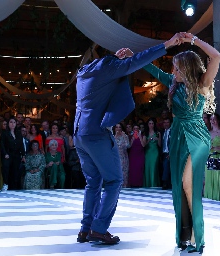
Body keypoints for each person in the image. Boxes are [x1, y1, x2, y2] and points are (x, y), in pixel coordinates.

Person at [74, 33, 183, 245]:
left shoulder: (85, 72)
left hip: (79, 134)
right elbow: (135, 62)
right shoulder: (108, 66)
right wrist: (167, 45)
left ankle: (85, 229)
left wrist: (114, 61)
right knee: (114, 181)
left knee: (93, 182)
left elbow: (108, 70)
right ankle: (99, 228)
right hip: (97, 134)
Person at [143, 33, 220, 253]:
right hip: (177, 136)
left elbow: (216, 56)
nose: (173, 72)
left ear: (186, 68)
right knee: (179, 188)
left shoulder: (202, 83)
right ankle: (185, 234)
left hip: (196, 136)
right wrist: (133, 56)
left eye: (177, 68)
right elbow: (149, 67)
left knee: (189, 185)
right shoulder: (172, 83)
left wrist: (194, 40)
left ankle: (198, 235)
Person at [0, 117, 25, 191]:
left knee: (15, 171)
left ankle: (13, 187)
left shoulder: (18, 133)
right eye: (11, 122)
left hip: (16, 155)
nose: (12, 124)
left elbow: (21, 145)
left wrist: (23, 155)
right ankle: (5, 183)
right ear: (8, 123)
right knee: (6, 169)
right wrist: (5, 154)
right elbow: (2, 144)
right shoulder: (4, 133)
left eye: (14, 122)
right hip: (8, 154)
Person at [143, 117, 161, 187]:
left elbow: (160, 144)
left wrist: (157, 139)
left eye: (152, 123)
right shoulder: (146, 133)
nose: (151, 125)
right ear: (147, 124)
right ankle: (148, 184)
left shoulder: (158, 133)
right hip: (148, 152)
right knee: (148, 167)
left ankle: (154, 184)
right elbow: (144, 145)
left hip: (155, 152)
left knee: (154, 167)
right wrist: (149, 140)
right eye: (150, 123)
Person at [114, 123, 130, 188]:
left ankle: (124, 188)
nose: (118, 129)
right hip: (116, 158)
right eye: (117, 127)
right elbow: (111, 146)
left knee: (124, 173)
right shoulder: (113, 136)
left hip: (124, 157)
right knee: (116, 173)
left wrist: (124, 136)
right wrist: (115, 136)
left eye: (119, 127)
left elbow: (128, 145)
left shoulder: (125, 136)